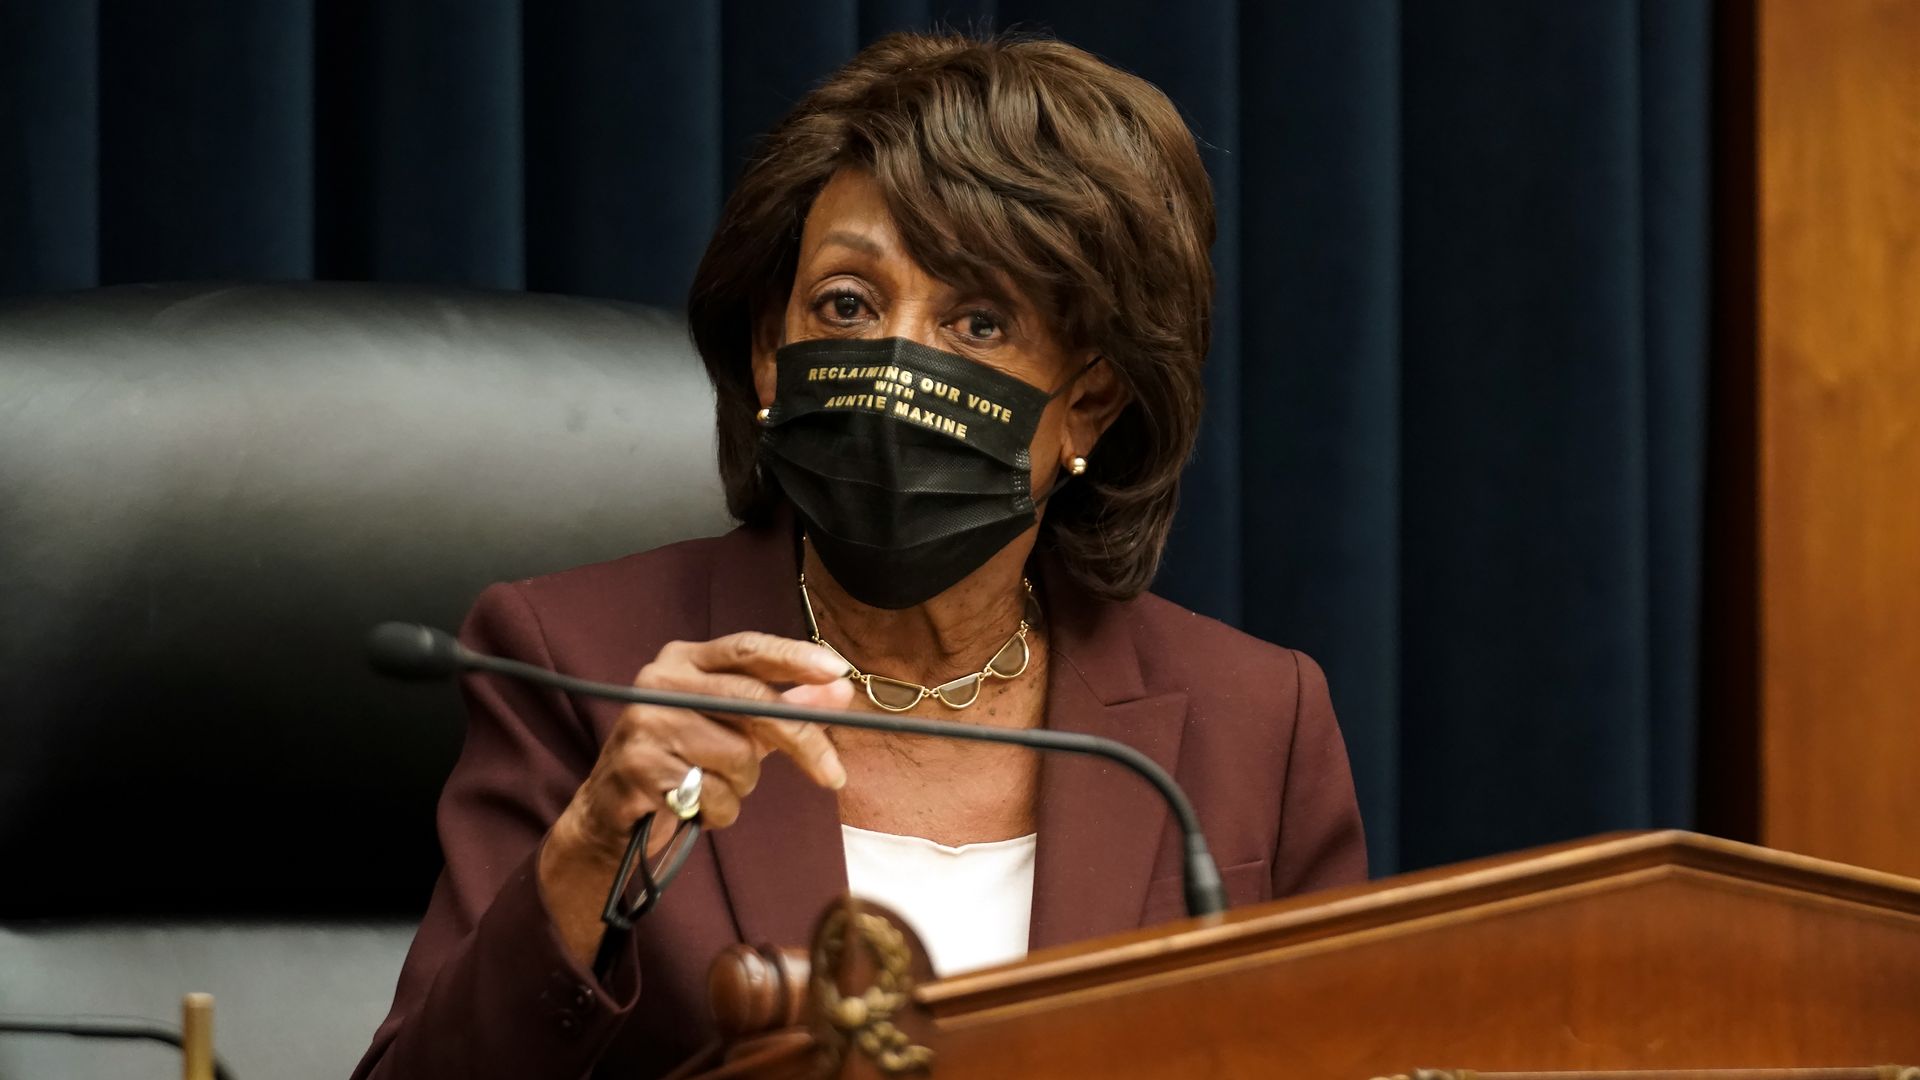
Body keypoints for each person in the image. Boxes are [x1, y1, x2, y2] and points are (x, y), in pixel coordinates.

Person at [354, 31, 1364, 1079]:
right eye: (848, 304)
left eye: (977, 321)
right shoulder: (574, 666)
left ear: (1090, 405)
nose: (895, 365)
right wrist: (594, 849)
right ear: (769, 352)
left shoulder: (1253, 725)